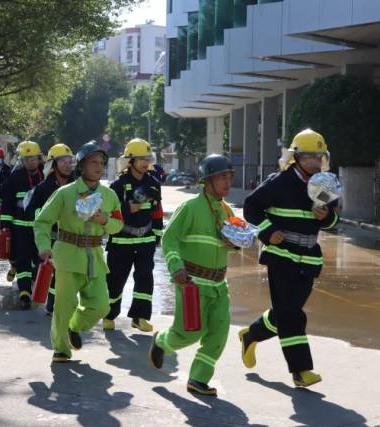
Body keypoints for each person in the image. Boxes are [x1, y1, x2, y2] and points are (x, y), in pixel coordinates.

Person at [239, 129, 339, 388]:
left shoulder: (324, 185)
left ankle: (251, 335)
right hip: (281, 257)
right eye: (311, 157)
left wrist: (326, 217)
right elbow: (251, 207)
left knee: (286, 312)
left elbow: (333, 221)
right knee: (293, 315)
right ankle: (301, 371)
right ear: (297, 157)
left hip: (309, 259)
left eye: (320, 157)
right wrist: (268, 232)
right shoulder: (279, 182)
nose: (316, 162)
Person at [149, 154, 237, 397]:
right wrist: (176, 266)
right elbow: (169, 239)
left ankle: (198, 379)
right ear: (207, 180)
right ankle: (161, 342)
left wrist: (235, 243)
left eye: (230, 177)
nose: (228, 182)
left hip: (219, 285)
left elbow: (229, 245)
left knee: (218, 335)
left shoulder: (227, 211)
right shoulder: (190, 208)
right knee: (189, 332)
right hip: (192, 283)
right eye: (222, 177)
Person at [34, 141, 123, 363]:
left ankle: (74, 327)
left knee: (101, 306)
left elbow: (118, 225)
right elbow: (42, 222)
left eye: (101, 162)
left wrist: (105, 220)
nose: (99, 167)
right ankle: (61, 349)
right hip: (67, 255)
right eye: (93, 162)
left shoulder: (109, 195)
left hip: (95, 257)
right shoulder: (65, 193)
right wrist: (44, 247)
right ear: (81, 165)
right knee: (64, 306)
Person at [103, 138, 163, 333]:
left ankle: (140, 317)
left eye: (148, 158)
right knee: (115, 280)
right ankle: (109, 315)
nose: (146, 162)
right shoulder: (118, 185)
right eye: (142, 159)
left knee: (145, 279)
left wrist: (157, 235)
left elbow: (157, 212)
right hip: (121, 242)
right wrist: (126, 209)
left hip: (146, 241)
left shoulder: (153, 183)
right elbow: (107, 214)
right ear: (131, 161)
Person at [27, 143, 76, 315]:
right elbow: (34, 212)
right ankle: (51, 303)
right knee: (52, 270)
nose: (68, 165)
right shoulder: (43, 188)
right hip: (51, 237)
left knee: (66, 274)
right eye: (63, 161)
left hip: (71, 238)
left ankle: (55, 304)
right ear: (53, 165)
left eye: (70, 161)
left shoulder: (77, 186)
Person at [0, 141, 44, 309]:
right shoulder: (14, 178)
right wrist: (5, 225)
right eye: (27, 159)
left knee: (38, 259)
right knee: (22, 259)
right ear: (21, 161)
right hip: (19, 228)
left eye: (33, 159)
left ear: (39, 159)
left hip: (40, 229)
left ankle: (32, 281)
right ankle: (25, 291)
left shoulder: (46, 177)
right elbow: (7, 203)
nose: (30, 162)